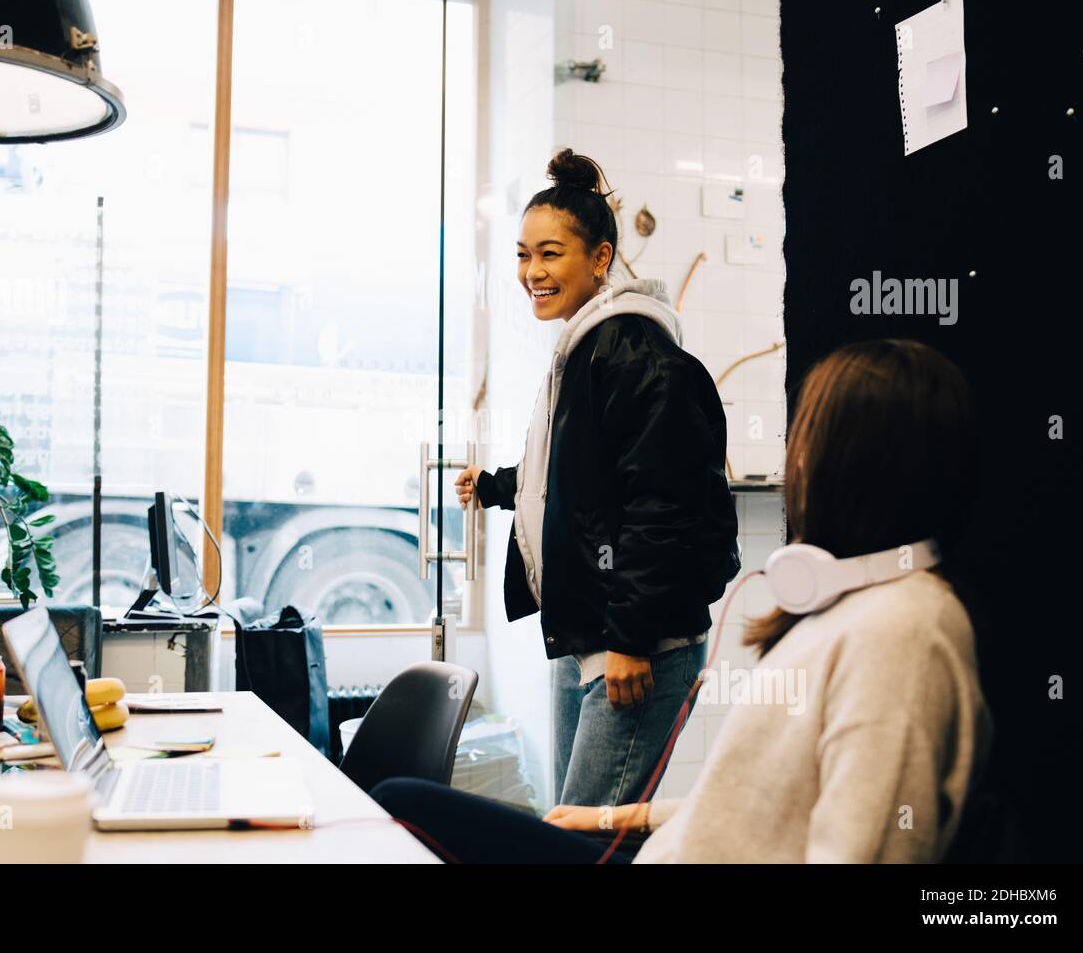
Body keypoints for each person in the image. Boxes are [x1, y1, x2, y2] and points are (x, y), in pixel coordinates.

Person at [383, 338, 991, 863]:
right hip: (661, 847)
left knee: (400, 805)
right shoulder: (861, 605)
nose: (795, 459)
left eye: (807, 439)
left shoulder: (903, 632)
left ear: (853, 465)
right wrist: (621, 819)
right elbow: (749, 799)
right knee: (405, 801)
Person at [453, 148, 740, 808]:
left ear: (602, 258)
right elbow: (568, 474)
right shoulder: (583, 350)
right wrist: (494, 487)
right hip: (587, 633)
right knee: (574, 828)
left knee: (588, 843)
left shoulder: (635, 354)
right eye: (523, 255)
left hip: (637, 646)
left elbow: (661, 508)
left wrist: (633, 641)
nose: (532, 272)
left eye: (550, 254)